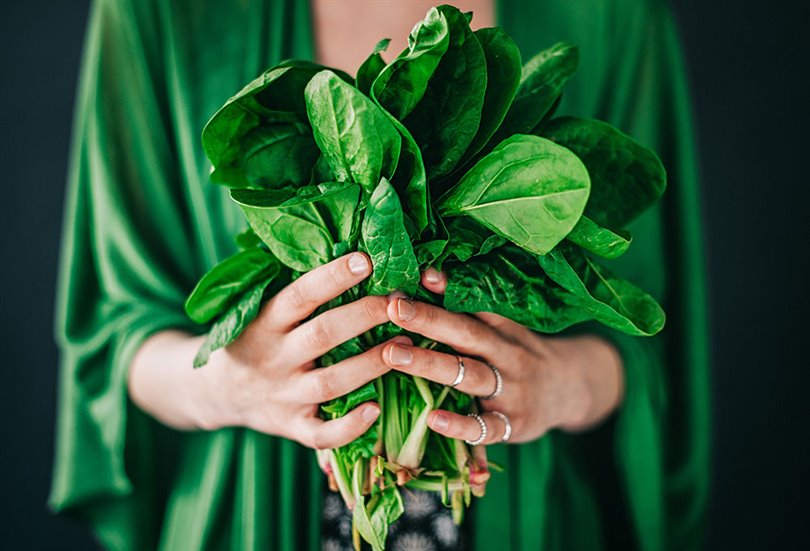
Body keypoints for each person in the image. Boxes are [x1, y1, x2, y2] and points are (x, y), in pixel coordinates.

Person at [50, 1, 710, 550]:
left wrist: (561, 383)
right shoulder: (158, 12)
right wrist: (231, 383)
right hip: (246, 519)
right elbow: (114, 333)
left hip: (533, 521)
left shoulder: (614, 16)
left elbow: (649, 333)